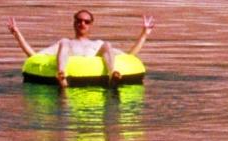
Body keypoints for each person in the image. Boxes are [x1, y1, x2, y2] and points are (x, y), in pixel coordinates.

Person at [8, 9, 154, 86]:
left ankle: (112, 75)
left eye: (86, 21)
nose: (82, 24)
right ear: (74, 23)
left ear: (91, 25)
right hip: (68, 71)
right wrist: (17, 34)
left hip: (97, 71)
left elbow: (129, 57)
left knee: (107, 44)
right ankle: (62, 75)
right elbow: (34, 57)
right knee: (63, 41)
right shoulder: (65, 44)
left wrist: (144, 34)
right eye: (79, 21)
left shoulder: (98, 44)